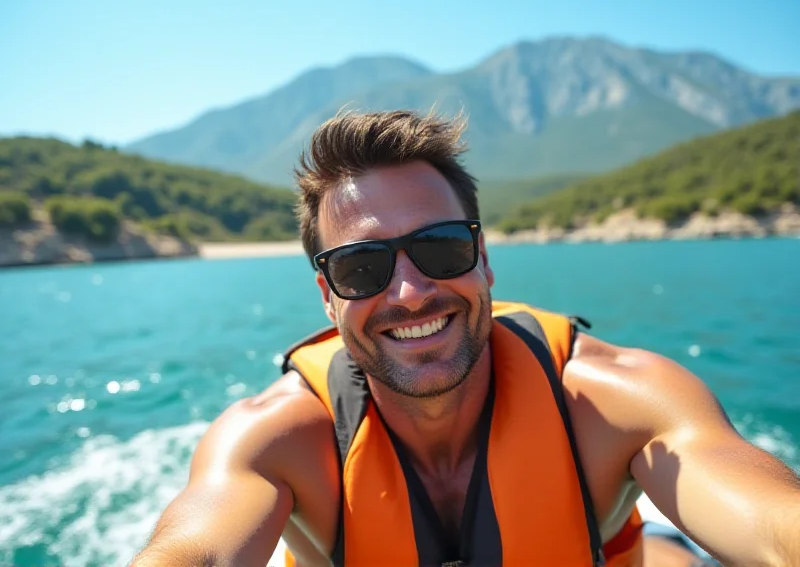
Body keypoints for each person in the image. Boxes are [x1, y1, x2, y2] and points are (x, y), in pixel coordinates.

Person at [131, 111, 800, 567]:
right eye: (362, 269)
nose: (410, 293)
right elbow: (197, 549)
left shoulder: (614, 401)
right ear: (327, 297)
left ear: (484, 261)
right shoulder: (278, 440)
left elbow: (774, 526)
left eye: (442, 248)